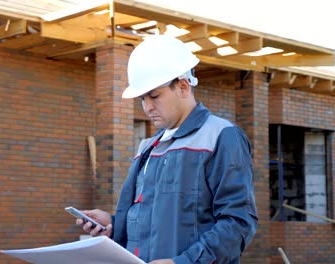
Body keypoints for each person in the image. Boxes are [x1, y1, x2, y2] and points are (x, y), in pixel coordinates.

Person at [76, 35, 258, 264]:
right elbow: (153, 221)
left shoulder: (221, 136)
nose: (147, 107)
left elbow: (238, 222)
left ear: (182, 86)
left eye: (154, 96)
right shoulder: (148, 147)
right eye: (143, 98)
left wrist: (183, 262)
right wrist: (113, 225)